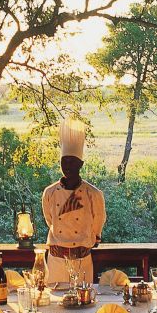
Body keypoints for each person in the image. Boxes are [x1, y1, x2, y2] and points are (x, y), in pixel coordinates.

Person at [41, 119, 106, 285]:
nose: (67, 165)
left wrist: (90, 240)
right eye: (64, 161)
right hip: (56, 260)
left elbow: (98, 223)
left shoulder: (94, 194)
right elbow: (50, 220)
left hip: (82, 260)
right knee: (55, 305)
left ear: (81, 164)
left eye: (72, 161)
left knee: (84, 304)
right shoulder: (49, 192)